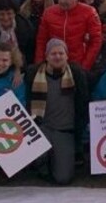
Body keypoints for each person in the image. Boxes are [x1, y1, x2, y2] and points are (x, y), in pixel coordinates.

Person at [21, 39, 90, 186]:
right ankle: (41, 164)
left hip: (65, 131)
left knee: (63, 178)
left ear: (67, 56)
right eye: (53, 53)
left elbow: (84, 102)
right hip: (40, 128)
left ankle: (56, 158)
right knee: (35, 157)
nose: (57, 56)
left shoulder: (77, 73)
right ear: (46, 56)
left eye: (61, 53)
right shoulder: (33, 72)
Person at [34, 0, 103, 72]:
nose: (63, 1)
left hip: (77, 64)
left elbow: (96, 41)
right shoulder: (48, 12)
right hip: (53, 63)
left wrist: (84, 67)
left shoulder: (89, 12)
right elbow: (41, 41)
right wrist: (39, 64)